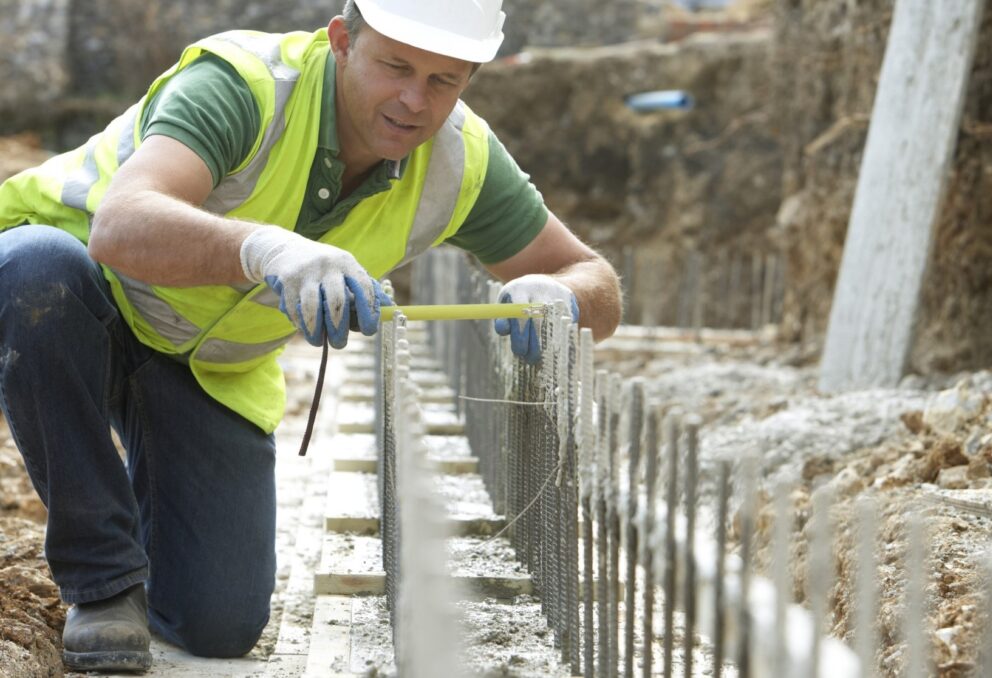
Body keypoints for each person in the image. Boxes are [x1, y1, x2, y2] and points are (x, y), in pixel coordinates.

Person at [0, 0, 621, 671]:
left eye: (445, 80)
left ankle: (147, 513)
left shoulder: (460, 162)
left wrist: (560, 293)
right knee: (37, 276)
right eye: (396, 66)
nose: (414, 100)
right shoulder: (245, 86)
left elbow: (596, 280)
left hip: (207, 364)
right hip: (84, 292)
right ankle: (102, 578)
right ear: (342, 42)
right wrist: (267, 249)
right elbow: (120, 226)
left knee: (218, 623)